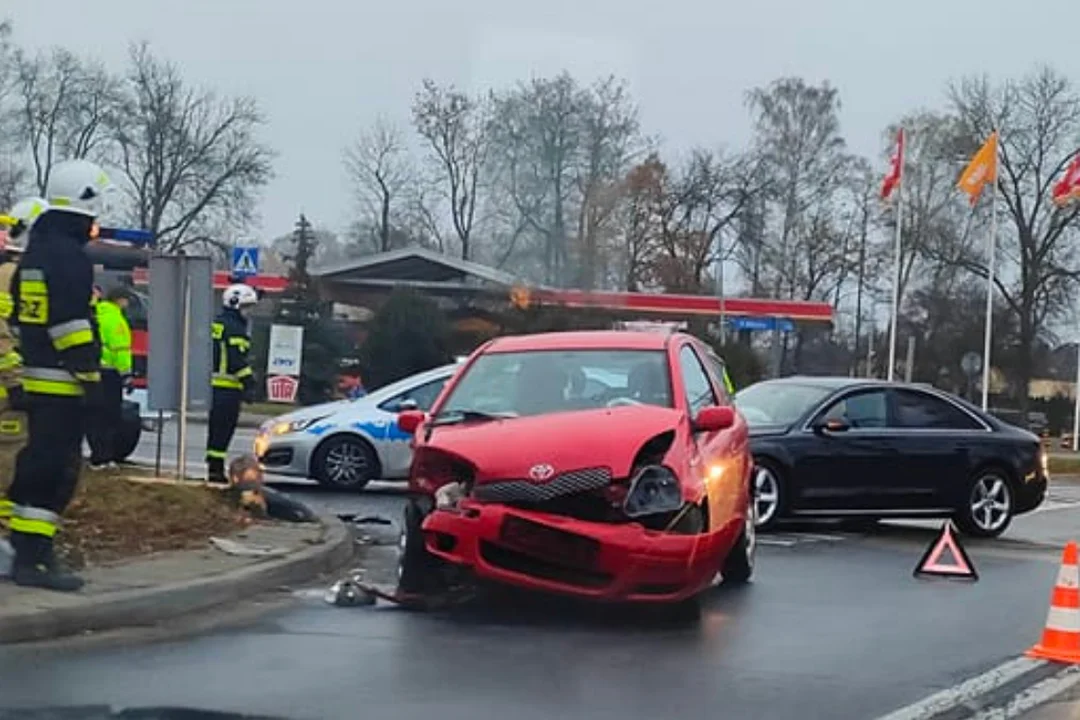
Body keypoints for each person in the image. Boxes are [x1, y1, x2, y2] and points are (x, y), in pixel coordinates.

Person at [6, 159, 109, 591]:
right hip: (63, 385)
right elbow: (69, 323)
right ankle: (34, 558)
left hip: (33, 379)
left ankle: (29, 553)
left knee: (37, 468)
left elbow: (20, 317)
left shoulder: (36, 252)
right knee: (58, 473)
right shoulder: (69, 258)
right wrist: (91, 376)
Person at [0, 198, 44, 576]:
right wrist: (16, 383)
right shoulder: (13, 276)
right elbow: (3, 337)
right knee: (8, 468)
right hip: (6, 396)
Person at [206, 283, 258, 483]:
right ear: (236, 305)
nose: (249, 312)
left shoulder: (217, 324)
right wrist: (249, 384)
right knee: (224, 429)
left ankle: (213, 467)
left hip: (212, 385)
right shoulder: (235, 328)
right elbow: (237, 360)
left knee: (215, 428)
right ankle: (216, 470)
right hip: (228, 388)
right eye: (247, 307)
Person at [87, 285, 133, 469]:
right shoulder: (116, 319)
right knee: (110, 417)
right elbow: (120, 350)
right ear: (121, 300)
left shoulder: (96, 313)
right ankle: (103, 458)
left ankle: (98, 456)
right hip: (110, 374)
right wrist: (126, 375)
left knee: (95, 416)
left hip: (94, 371)